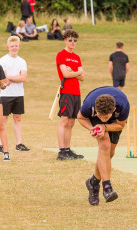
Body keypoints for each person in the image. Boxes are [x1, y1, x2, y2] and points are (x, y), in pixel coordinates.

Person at [77, 86, 130, 205]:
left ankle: (93, 183)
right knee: (105, 144)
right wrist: (93, 128)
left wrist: (105, 126)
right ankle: (107, 187)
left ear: (114, 109)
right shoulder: (89, 104)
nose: (103, 119)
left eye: (105, 117)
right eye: (100, 116)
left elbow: (120, 125)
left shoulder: (124, 105)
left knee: (108, 154)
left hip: (114, 122)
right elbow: (80, 117)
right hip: (94, 120)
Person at [0, 36, 30, 154]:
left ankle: (18, 144)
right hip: (6, 95)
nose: (14, 48)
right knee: (3, 119)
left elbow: (23, 78)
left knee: (18, 117)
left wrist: (9, 77)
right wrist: (13, 77)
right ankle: (0, 145)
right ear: (8, 47)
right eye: (12, 46)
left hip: (18, 94)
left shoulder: (22, 61)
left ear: (19, 47)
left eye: (16, 46)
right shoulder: (2, 61)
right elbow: (3, 80)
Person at [56, 29, 84, 160]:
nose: (73, 42)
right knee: (64, 120)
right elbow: (65, 75)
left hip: (76, 92)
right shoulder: (61, 55)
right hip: (66, 91)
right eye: (70, 40)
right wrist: (76, 73)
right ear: (65, 40)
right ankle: (61, 151)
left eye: (75, 40)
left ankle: (67, 150)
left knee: (72, 122)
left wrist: (73, 71)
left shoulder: (76, 57)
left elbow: (82, 77)